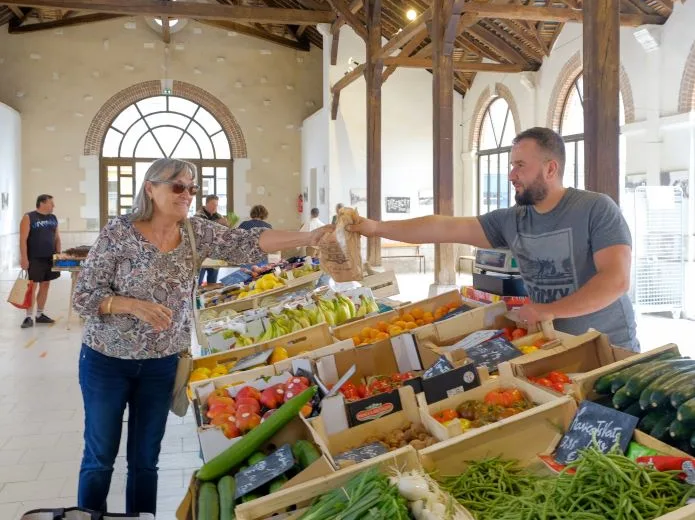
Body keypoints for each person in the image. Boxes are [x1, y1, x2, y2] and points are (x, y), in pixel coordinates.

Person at [72, 158, 330, 516]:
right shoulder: (119, 232)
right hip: (107, 362)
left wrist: (308, 236)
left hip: (162, 365)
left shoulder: (196, 232)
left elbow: (249, 241)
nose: (187, 195)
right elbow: (83, 296)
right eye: (177, 186)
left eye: (191, 188)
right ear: (150, 188)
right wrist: (130, 304)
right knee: (100, 457)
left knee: (145, 460)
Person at [348, 127, 638, 350]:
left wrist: (546, 310)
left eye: (520, 166)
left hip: (610, 348)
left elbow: (616, 280)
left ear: (551, 169)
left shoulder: (595, 208)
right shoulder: (512, 220)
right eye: (511, 165)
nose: (511, 174)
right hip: (552, 345)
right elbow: (443, 228)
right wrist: (375, 228)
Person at [19, 194, 61, 328]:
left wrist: (58, 255)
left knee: (45, 285)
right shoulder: (29, 217)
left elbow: (56, 238)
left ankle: (39, 314)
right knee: (32, 286)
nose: (53, 206)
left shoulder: (53, 218)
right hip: (34, 258)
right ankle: (28, 317)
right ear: (42, 203)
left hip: (49, 258)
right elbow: (23, 240)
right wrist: (24, 258)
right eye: (51, 203)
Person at [194, 194, 227, 285]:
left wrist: (226, 225)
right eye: (213, 204)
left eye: (216, 205)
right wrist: (217, 223)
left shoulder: (219, 216)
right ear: (206, 204)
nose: (214, 207)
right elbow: (201, 230)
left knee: (212, 282)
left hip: (215, 254)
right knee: (198, 282)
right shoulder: (198, 215)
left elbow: (223, 235)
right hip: (201, 254)